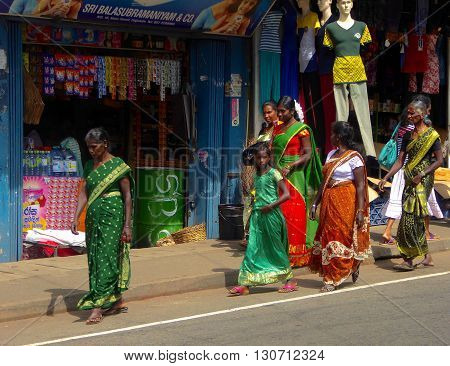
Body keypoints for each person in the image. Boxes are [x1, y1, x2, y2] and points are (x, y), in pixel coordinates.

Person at [71, 128, 134, 324]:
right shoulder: (89, 165)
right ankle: (116, 300)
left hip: (112, 215)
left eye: (94, 146)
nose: (91, 150)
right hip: (93, 216)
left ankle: (97, 307)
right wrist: (76, 216)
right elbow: (84, 193)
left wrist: (127, 226)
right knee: (95, 258)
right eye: (88, 147)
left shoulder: (118, 165)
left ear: (105, 143)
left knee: (107, 256)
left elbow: (127, 197)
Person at [379, 101, 443, 271]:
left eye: (412, 113)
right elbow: (400, 161)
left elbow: (439, 160)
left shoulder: (432, 136)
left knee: (409, 218)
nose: (409, 116)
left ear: (422, 115)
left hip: (423, 181)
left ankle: (408, 259)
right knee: (414, 218)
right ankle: (427, 256)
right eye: (408, 113)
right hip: (409, 179)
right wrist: (386, 176)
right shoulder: (408, 135)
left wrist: (422, 174)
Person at [309, 121, 370, 292]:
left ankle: (342, 272)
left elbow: (360, 186)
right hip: (329, 201)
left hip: (347, 201)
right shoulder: (330, 155)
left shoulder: (354, 157)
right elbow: (324, 181)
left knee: (343, 236)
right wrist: (315, 203)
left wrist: (360, 210)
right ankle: (330, 276)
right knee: (328, 236)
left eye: (332, 134)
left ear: (339, 136)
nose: (330, 137)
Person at [229, 143, 296, 296]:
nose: (261, 160)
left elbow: (286, 195)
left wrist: (271, 206)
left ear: (269, 158)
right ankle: (245, 284)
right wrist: (249, 221)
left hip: (272, 216)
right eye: (258, 157)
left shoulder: (274, 174)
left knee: (275, 249)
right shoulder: (254, 175)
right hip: (257, 216)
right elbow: (255, 198)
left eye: (264, 157)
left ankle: (289, 280)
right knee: (253, 249)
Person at [272, 96, 322, 267]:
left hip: (295, 176)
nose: (279, 114)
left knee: (294, 212)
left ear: (292, 111)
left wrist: (292, 165)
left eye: (282, 111)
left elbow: (308, 154)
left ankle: (296, 254)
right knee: (279, 214)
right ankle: (279, 251)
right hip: (277, 174)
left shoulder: (302, 130)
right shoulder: (277, 129)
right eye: (278, 110)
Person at [241, 101, 282, 247]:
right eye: (264, 113)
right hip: (259, 172)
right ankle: (252, 236)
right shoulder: (264, 130)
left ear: (277, 111)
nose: (266, 115)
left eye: (269, 112)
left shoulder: (280, 129)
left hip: (271, 172)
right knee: (254, 202)